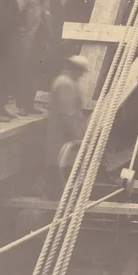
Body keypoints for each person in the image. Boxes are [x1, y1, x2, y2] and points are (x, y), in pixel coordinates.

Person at [45, 55, 90, 199]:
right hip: (62, 134)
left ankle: (60, 194)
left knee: (60, 163)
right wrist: (77, 136)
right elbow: (68, 113)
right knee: (58, 163)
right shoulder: (66, 84)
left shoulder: (66, 81)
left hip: (62, 133)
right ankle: (58, 196)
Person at [14, 0, 53, 115]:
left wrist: (49, 37)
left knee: (36, 73)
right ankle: (22, 105)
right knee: (24, 72)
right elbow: (15, 16)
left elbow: (48, 19)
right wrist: (22, 33)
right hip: (26, 40)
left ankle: (30, 104)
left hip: (40, 41)